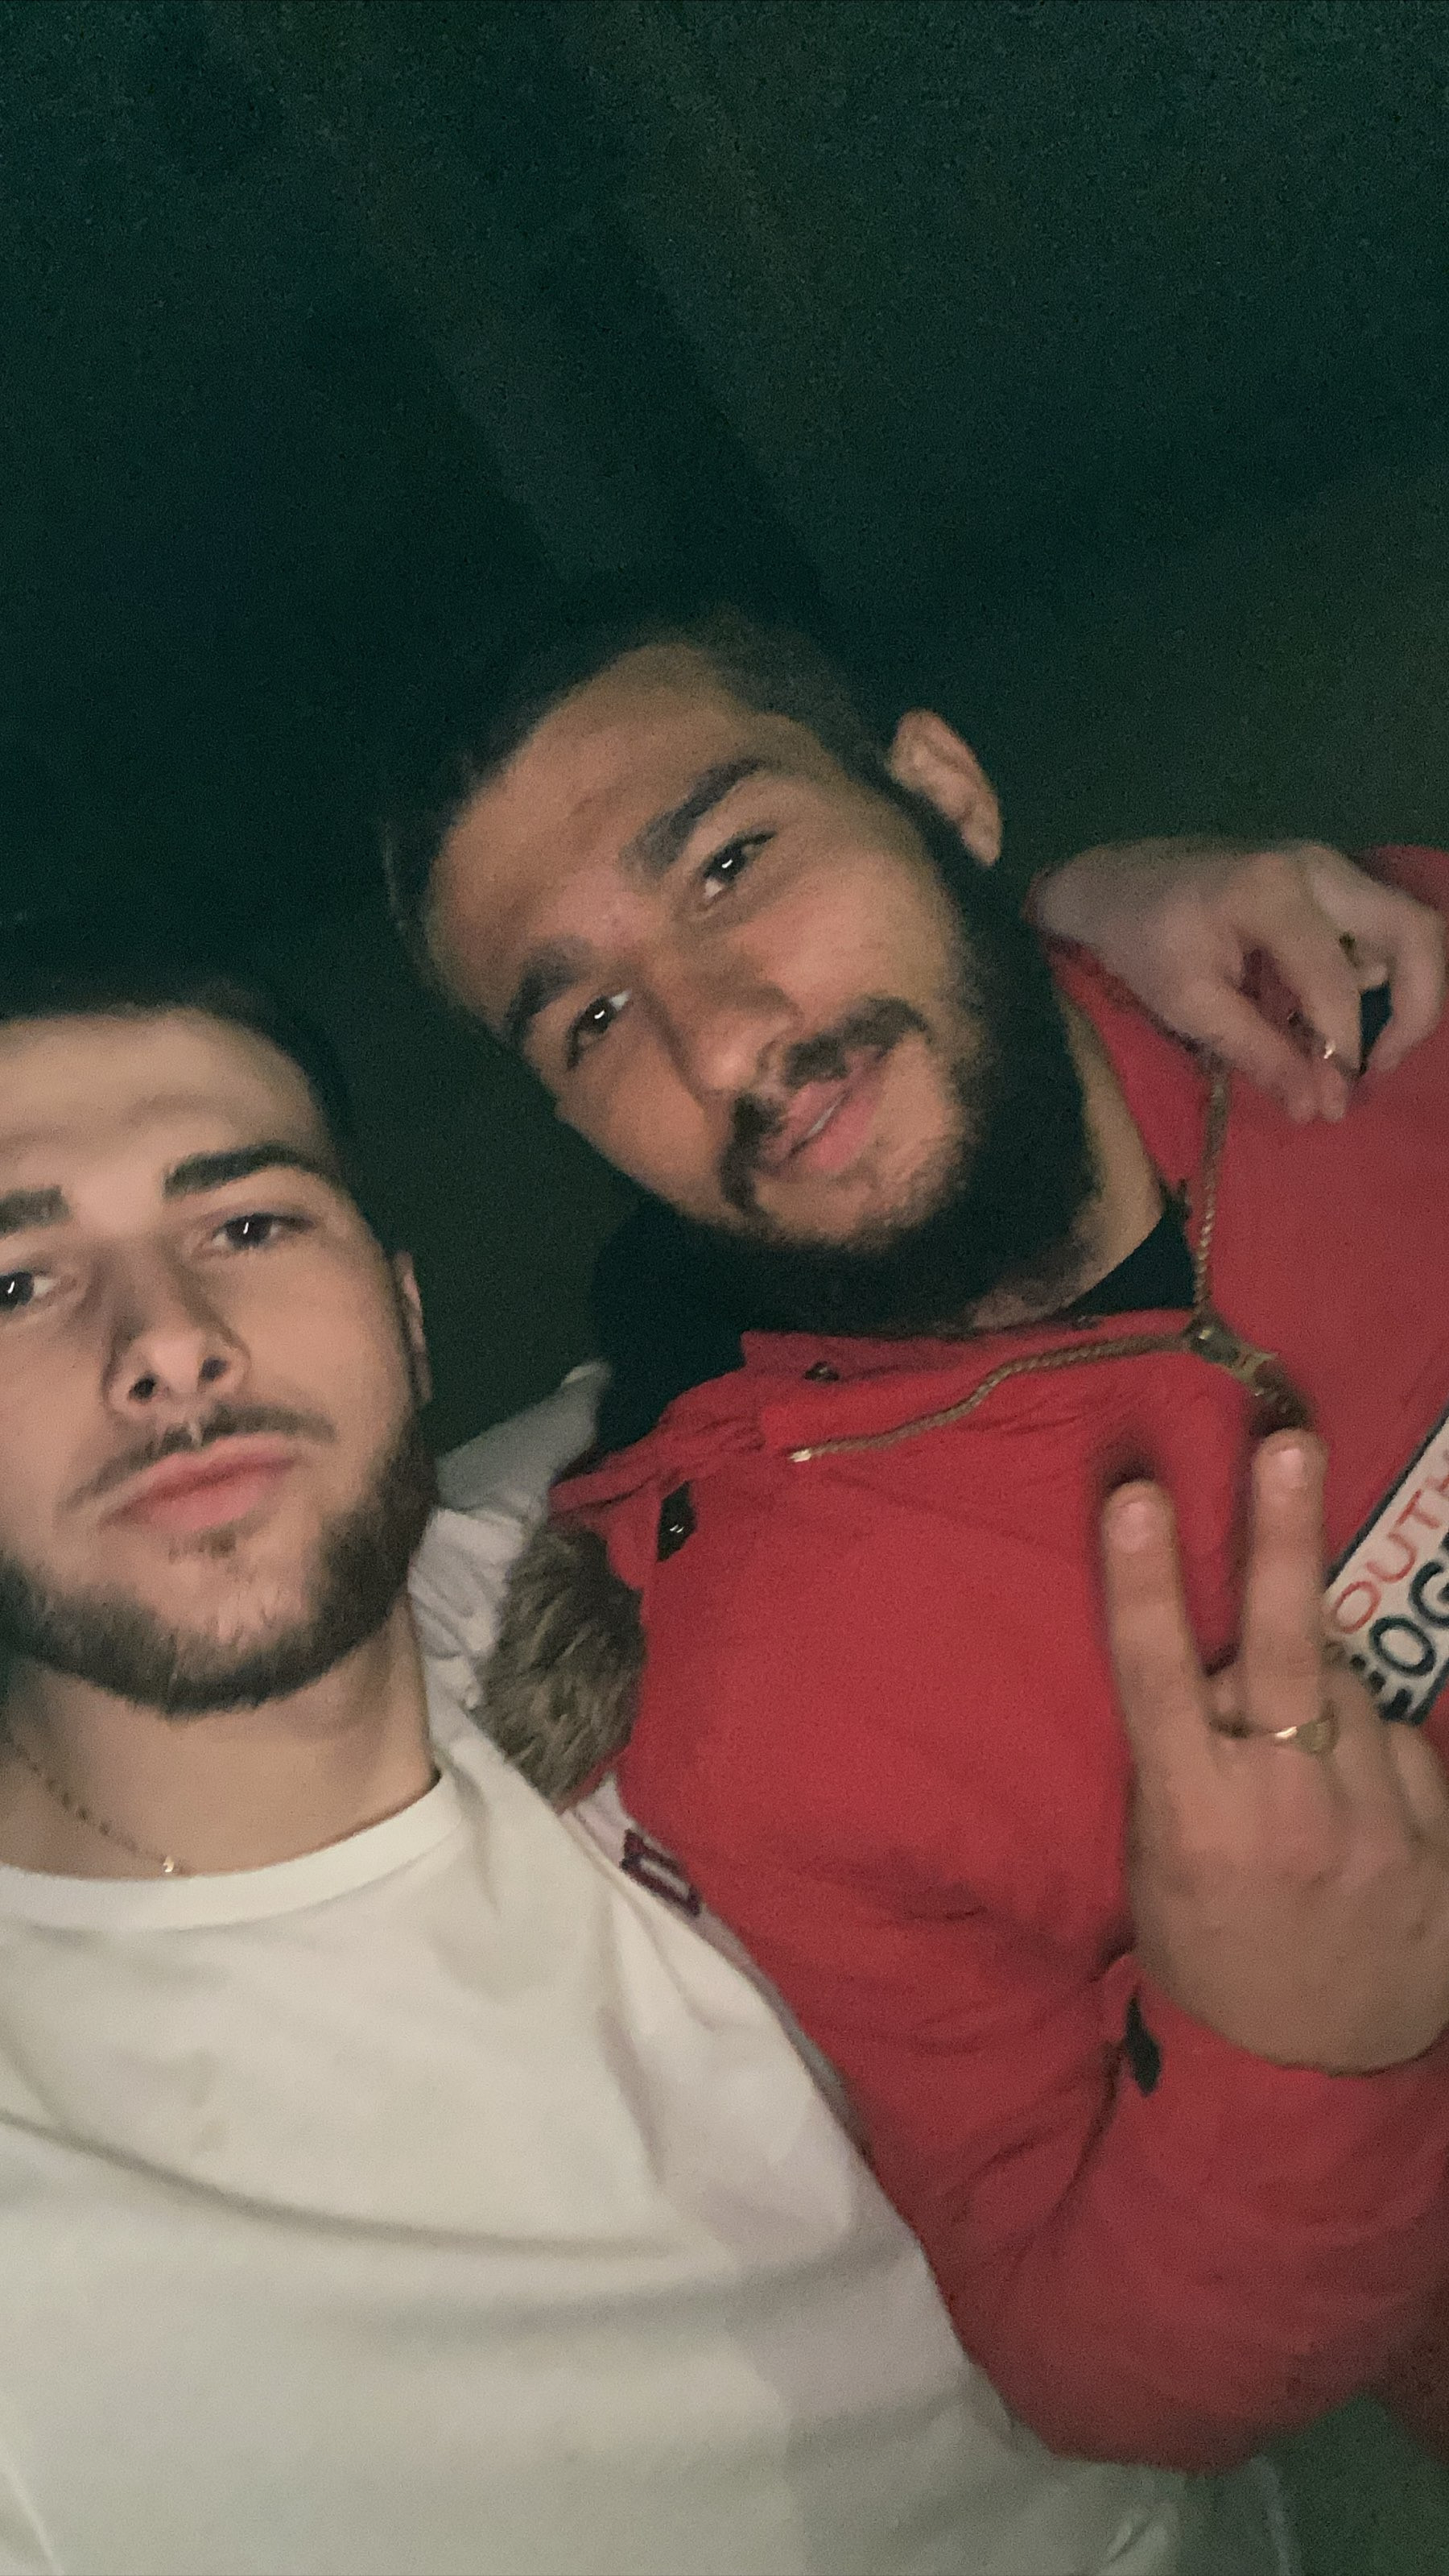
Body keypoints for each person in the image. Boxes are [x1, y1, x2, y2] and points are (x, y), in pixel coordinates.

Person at [0, 939, 1265, 2576]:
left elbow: (1015, 1233)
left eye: (247, 1223)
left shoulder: (611, 1513)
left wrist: (1108, 941)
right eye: (15, 1284)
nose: (166, 1341)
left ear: (404, 1316)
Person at [381, 594, 1449, 2475]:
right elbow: (1093, 2364)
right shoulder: (767, 1702)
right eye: (594, 1020)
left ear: (942, 793)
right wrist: (1298, 2046)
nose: (727, 1041)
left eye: (732, 861)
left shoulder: (1368, 969)